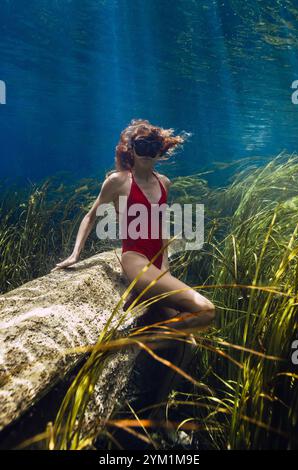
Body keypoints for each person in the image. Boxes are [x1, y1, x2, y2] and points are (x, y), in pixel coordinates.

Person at [52, 118, 216, 424]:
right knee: (206, 311)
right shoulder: (118, 182)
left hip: (157, 264)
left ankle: (157, 416)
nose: (148, 152)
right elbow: (91, 216)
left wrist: (165, 266)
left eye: (154, 147)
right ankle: (133, 344)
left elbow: (160, 228)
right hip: (135, 259)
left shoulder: (164, 183)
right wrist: (75, 254)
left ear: (160, 150)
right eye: (141, 146)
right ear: (131, 149)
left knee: (189, 345)